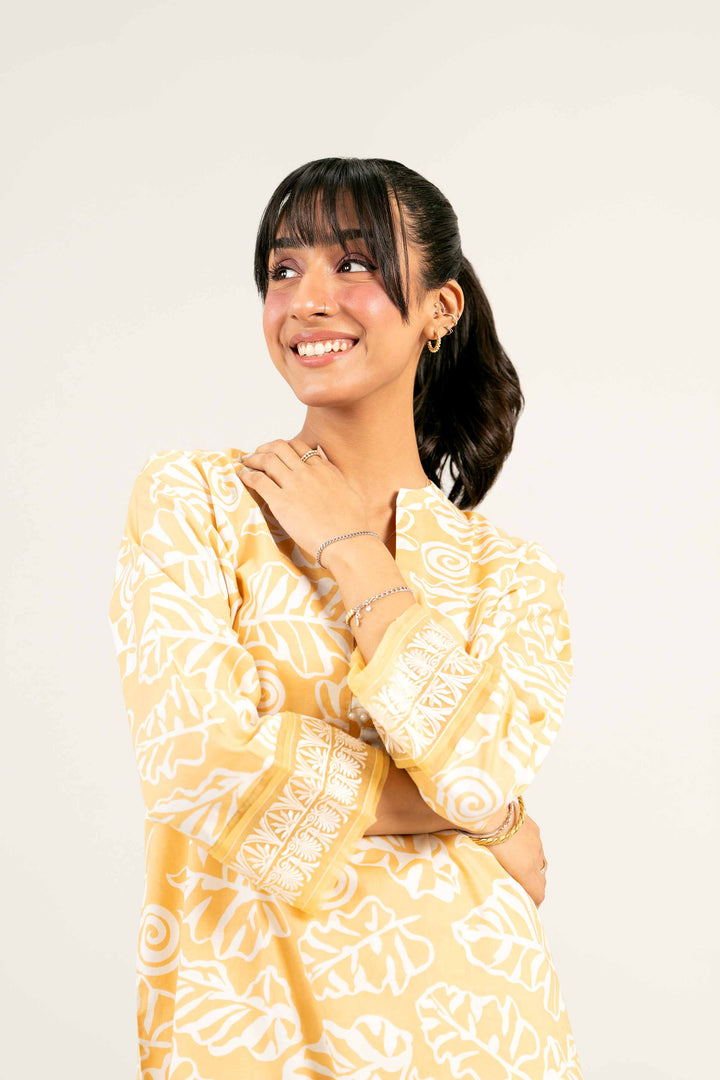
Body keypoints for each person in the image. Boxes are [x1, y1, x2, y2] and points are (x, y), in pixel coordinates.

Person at [108, 156, 583, 1078]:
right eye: (283, 270)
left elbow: (484, 767)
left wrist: (350, 551)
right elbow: (196, 761)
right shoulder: (197, 501)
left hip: (488, 1025)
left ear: (440, 308)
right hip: (255, 1025)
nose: (308, 300)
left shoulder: (510, 574)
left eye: (354, 263)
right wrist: (482, 822)